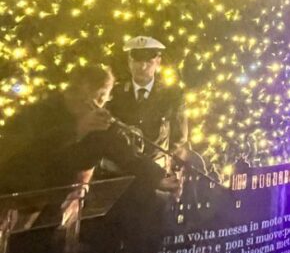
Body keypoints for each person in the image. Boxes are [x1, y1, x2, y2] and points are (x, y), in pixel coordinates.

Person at [0, 64, 178, 194]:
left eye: (103, 97)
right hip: (19, 192)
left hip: (59, 200)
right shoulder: (42, 111)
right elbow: (24, 152)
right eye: (96, 96)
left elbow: (124, 153)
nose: (98, 103)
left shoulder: (97, 122)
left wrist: (158, 177)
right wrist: (77, 130)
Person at [108, 36, 188, 169]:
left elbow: (179, 137)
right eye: (137, 61)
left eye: (149, 62)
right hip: (121, 169)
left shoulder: (172, 95)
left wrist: (166, 161)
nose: (143, 67)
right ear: (129, 61)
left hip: (156, 171)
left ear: (158, 62)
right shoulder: (116, 93)